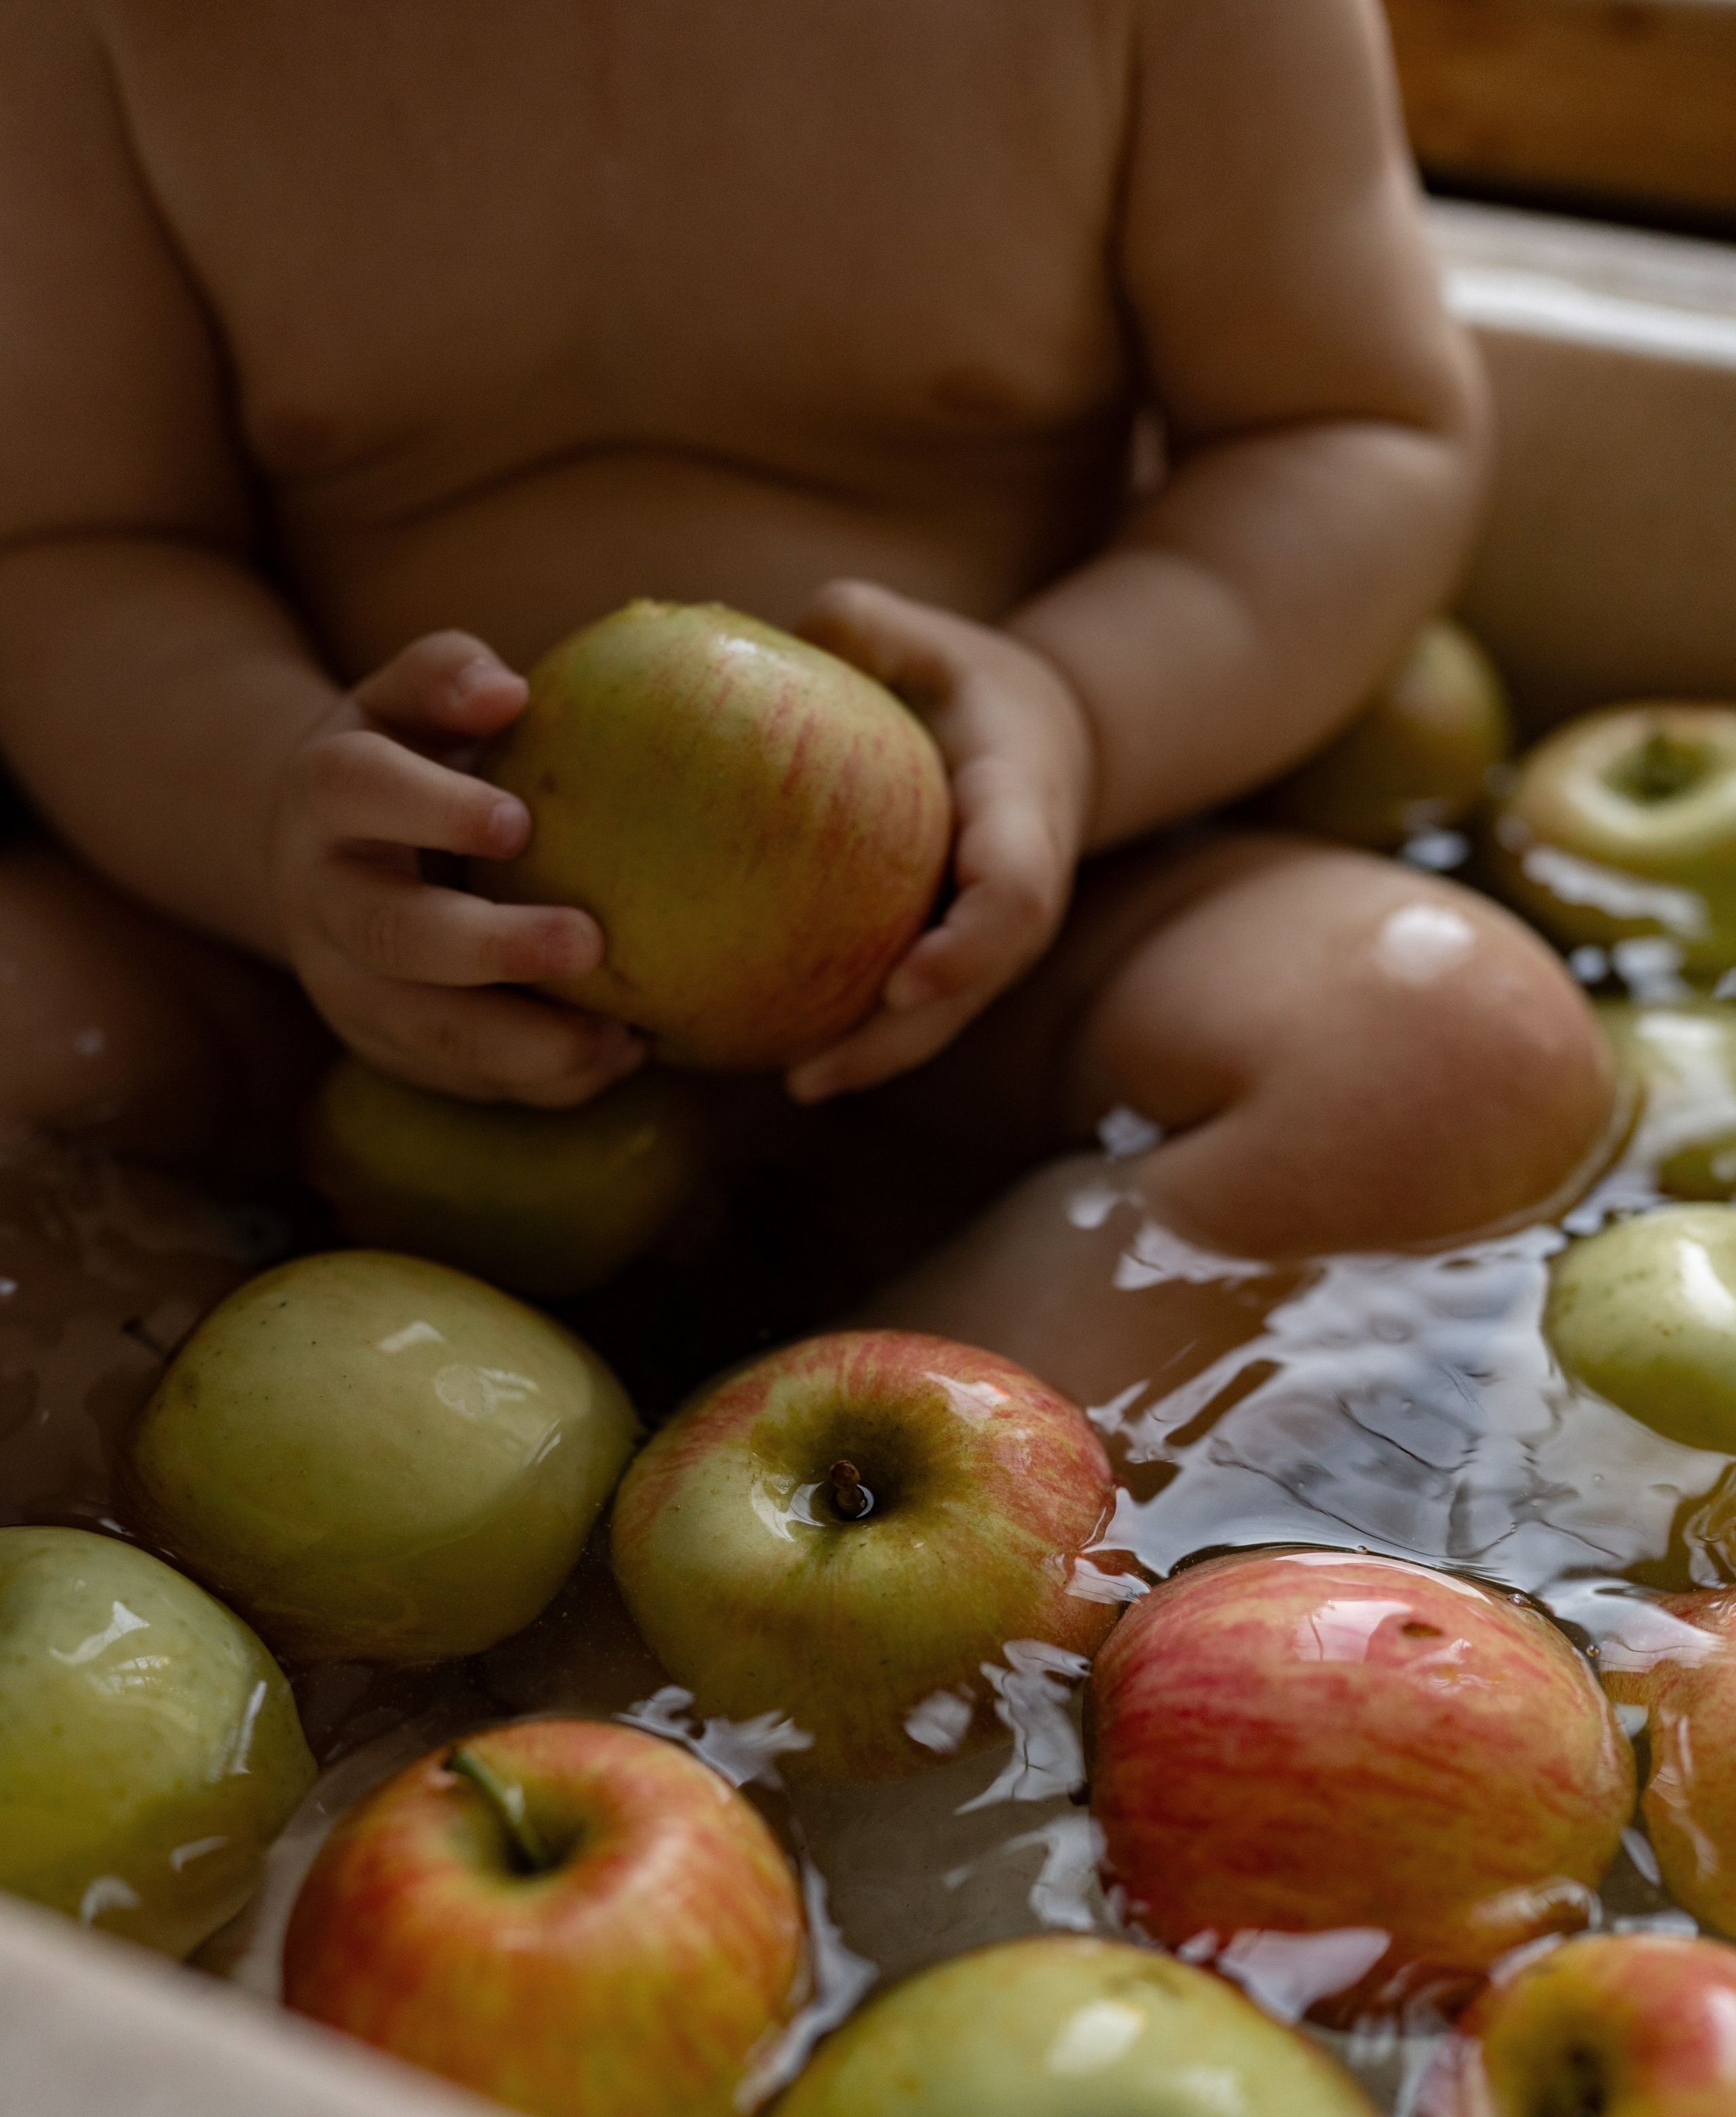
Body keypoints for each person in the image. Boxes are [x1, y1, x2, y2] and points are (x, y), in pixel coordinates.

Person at [0, 0, 1615, 1441]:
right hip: (317, 982)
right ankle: (277, 1538)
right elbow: (76, 545)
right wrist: (278, 826)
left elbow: (1346, 428)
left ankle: (838, 1567)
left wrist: (1081, 714)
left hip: (997, 957)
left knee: (1441, 1049)